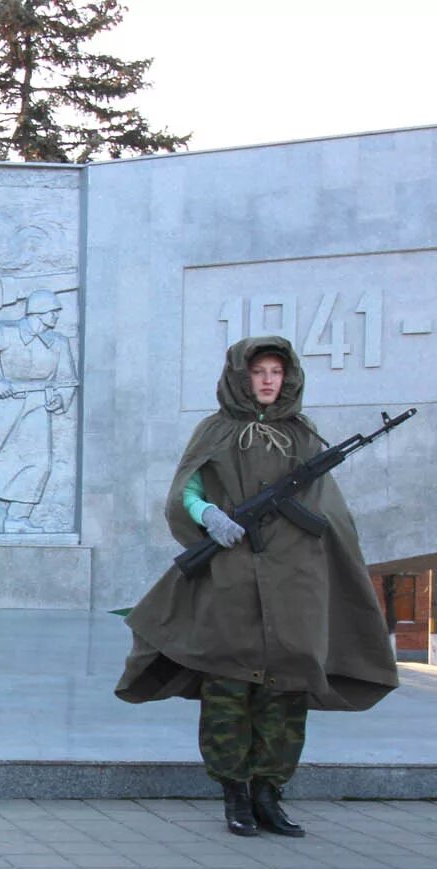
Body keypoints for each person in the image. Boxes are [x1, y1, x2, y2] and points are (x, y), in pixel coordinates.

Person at [115, 335, 397, 837]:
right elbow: (186, 491)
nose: (267, 380)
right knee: (228, 685)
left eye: (275, 372)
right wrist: (208, 515)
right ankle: (235, 794)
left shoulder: (303, 436)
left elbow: (330, 515)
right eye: (257, 372)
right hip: (232, 577)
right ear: (239, 377)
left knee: (288, 687)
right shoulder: (217, 431)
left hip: (294, 582)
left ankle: (270, 792)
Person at [0, 290, 78, 533]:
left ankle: (17, 518)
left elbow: (68, 379)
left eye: (58, 311)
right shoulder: (7, 331)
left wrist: (60, 399)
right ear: (37, 311)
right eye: (53, 311)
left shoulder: (58, 342)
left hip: (38, 405)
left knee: (39, 462)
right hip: (4, 402)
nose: (57, 315)